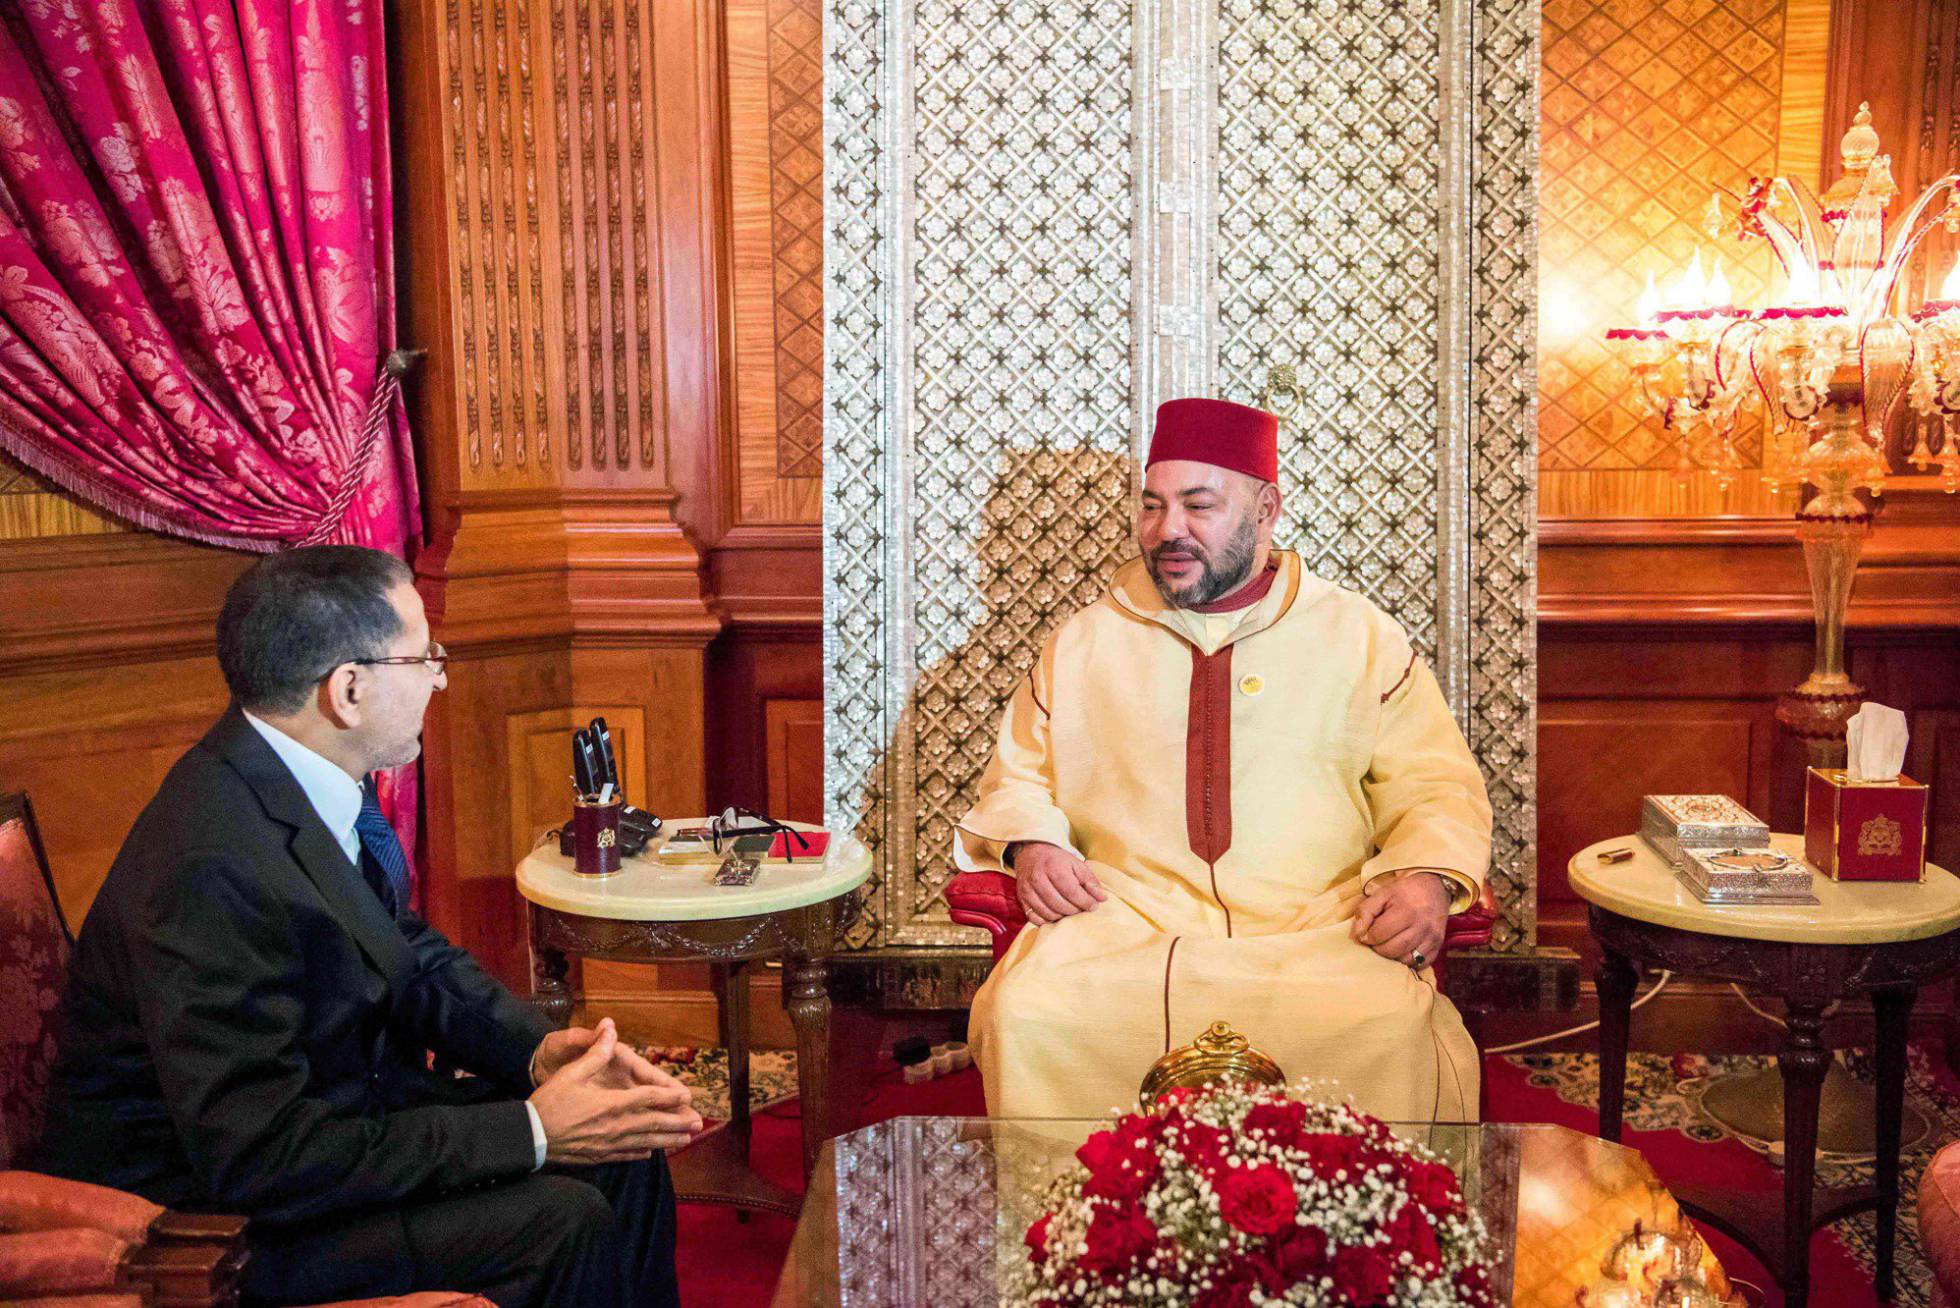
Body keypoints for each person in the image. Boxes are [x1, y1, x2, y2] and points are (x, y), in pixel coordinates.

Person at [36, 545, 702, 1307]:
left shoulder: (302, 772)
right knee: (564, 1219)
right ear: (347, 689)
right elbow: (259, 1156)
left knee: (625, 1148)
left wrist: (536, 1053)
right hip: (212, 1225)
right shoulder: (211, 866)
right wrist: (533, 1131)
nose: (440, 678)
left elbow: (402, 950)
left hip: (341, 1119)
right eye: (425, 656)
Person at [958, 397, 1493, 1122]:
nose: (1166, 530)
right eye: (1152, 506)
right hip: (1127, 920)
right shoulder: (1085, 642)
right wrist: (1032, 845)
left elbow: (1435, 784)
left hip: (1318, 922)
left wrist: (1428, 877)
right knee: (1027, 1012)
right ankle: (1079, 1232)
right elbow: (1019, 775)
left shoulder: (1357, 635)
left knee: (1384, 1024)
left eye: (1197, 505)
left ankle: (1351, 1234)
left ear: (1266, 508)